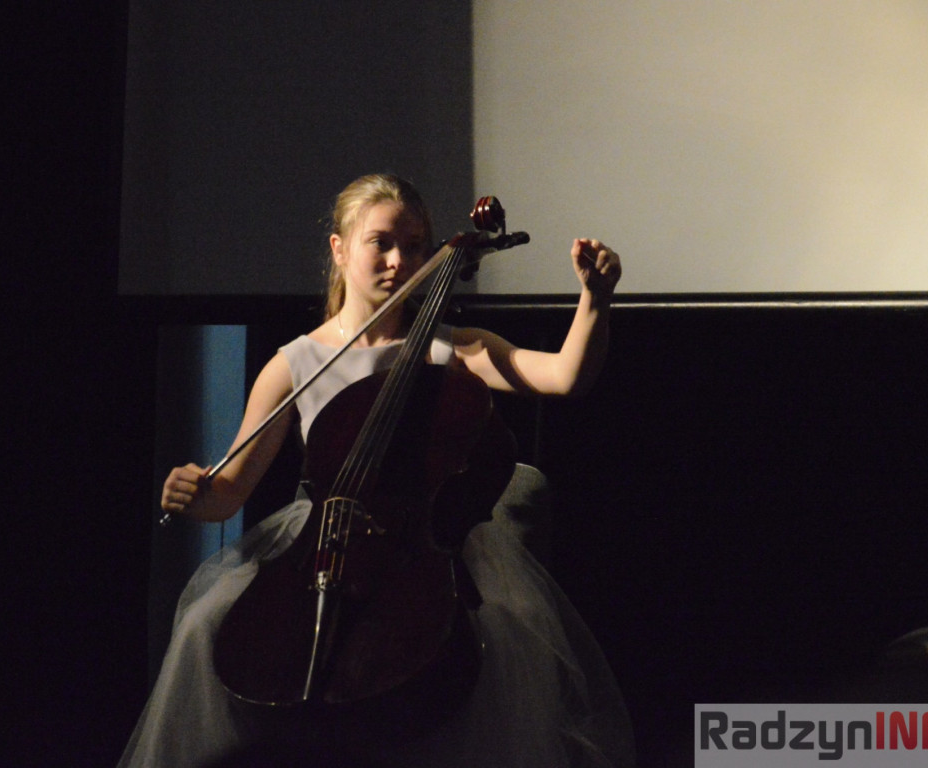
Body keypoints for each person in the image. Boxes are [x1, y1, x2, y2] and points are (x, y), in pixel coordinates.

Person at [119, 173, 635, 767]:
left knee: (508, 628)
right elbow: (229, 492)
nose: (400, 261)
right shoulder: (296, 364)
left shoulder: (453, 349)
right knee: (203, 623)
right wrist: (193, 491)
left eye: (414, 246)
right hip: (319, 543)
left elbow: (565, 376)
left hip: (421, 547)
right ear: (339, 249)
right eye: (381, 243)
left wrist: (595, 299)